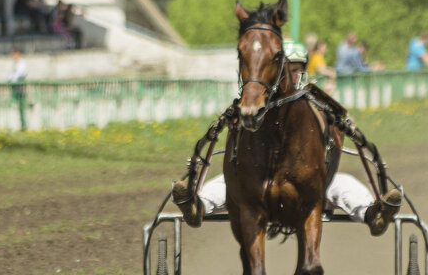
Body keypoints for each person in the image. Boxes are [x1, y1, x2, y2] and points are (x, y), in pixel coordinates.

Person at [170, 43, 401, 235]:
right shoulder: (256, 106)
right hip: (258, 186)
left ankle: (374, 214)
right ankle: (195, 207)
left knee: (343, 185)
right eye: (286, 70)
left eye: (296, 70)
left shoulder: (317, 102)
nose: (290, 77)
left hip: (311, 186)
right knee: (226, 184)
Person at [8, 47, 29, 130]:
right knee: (18, 106)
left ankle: (24, 125)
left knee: (22, 106)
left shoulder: (21, 63)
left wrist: (12, 79)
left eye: (14, 54)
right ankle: (21, 125)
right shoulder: (16, 63)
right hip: (16, 85)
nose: (13, 56)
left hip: (20, 85)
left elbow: (19, 74)